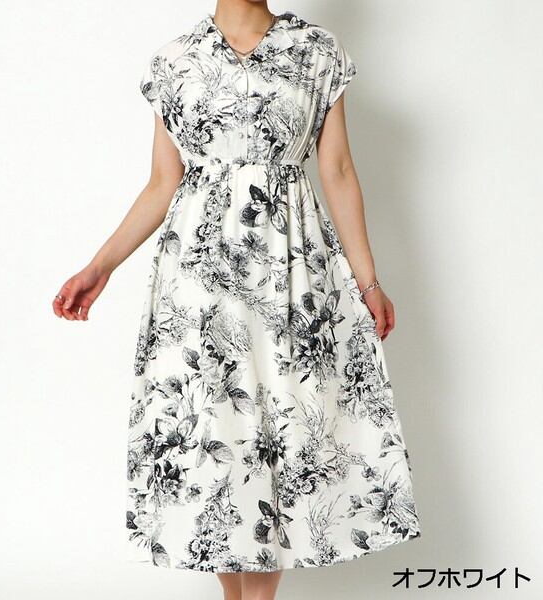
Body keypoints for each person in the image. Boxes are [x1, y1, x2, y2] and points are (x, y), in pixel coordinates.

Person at [52, 1, 422, 598]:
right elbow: (162, 183)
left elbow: (338, 171)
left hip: (288, 269)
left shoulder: (317, 52)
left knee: (278, 426)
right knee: (218, 432)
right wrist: (101, 266)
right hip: (199, 279)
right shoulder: (175, 61)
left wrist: (368, 281)